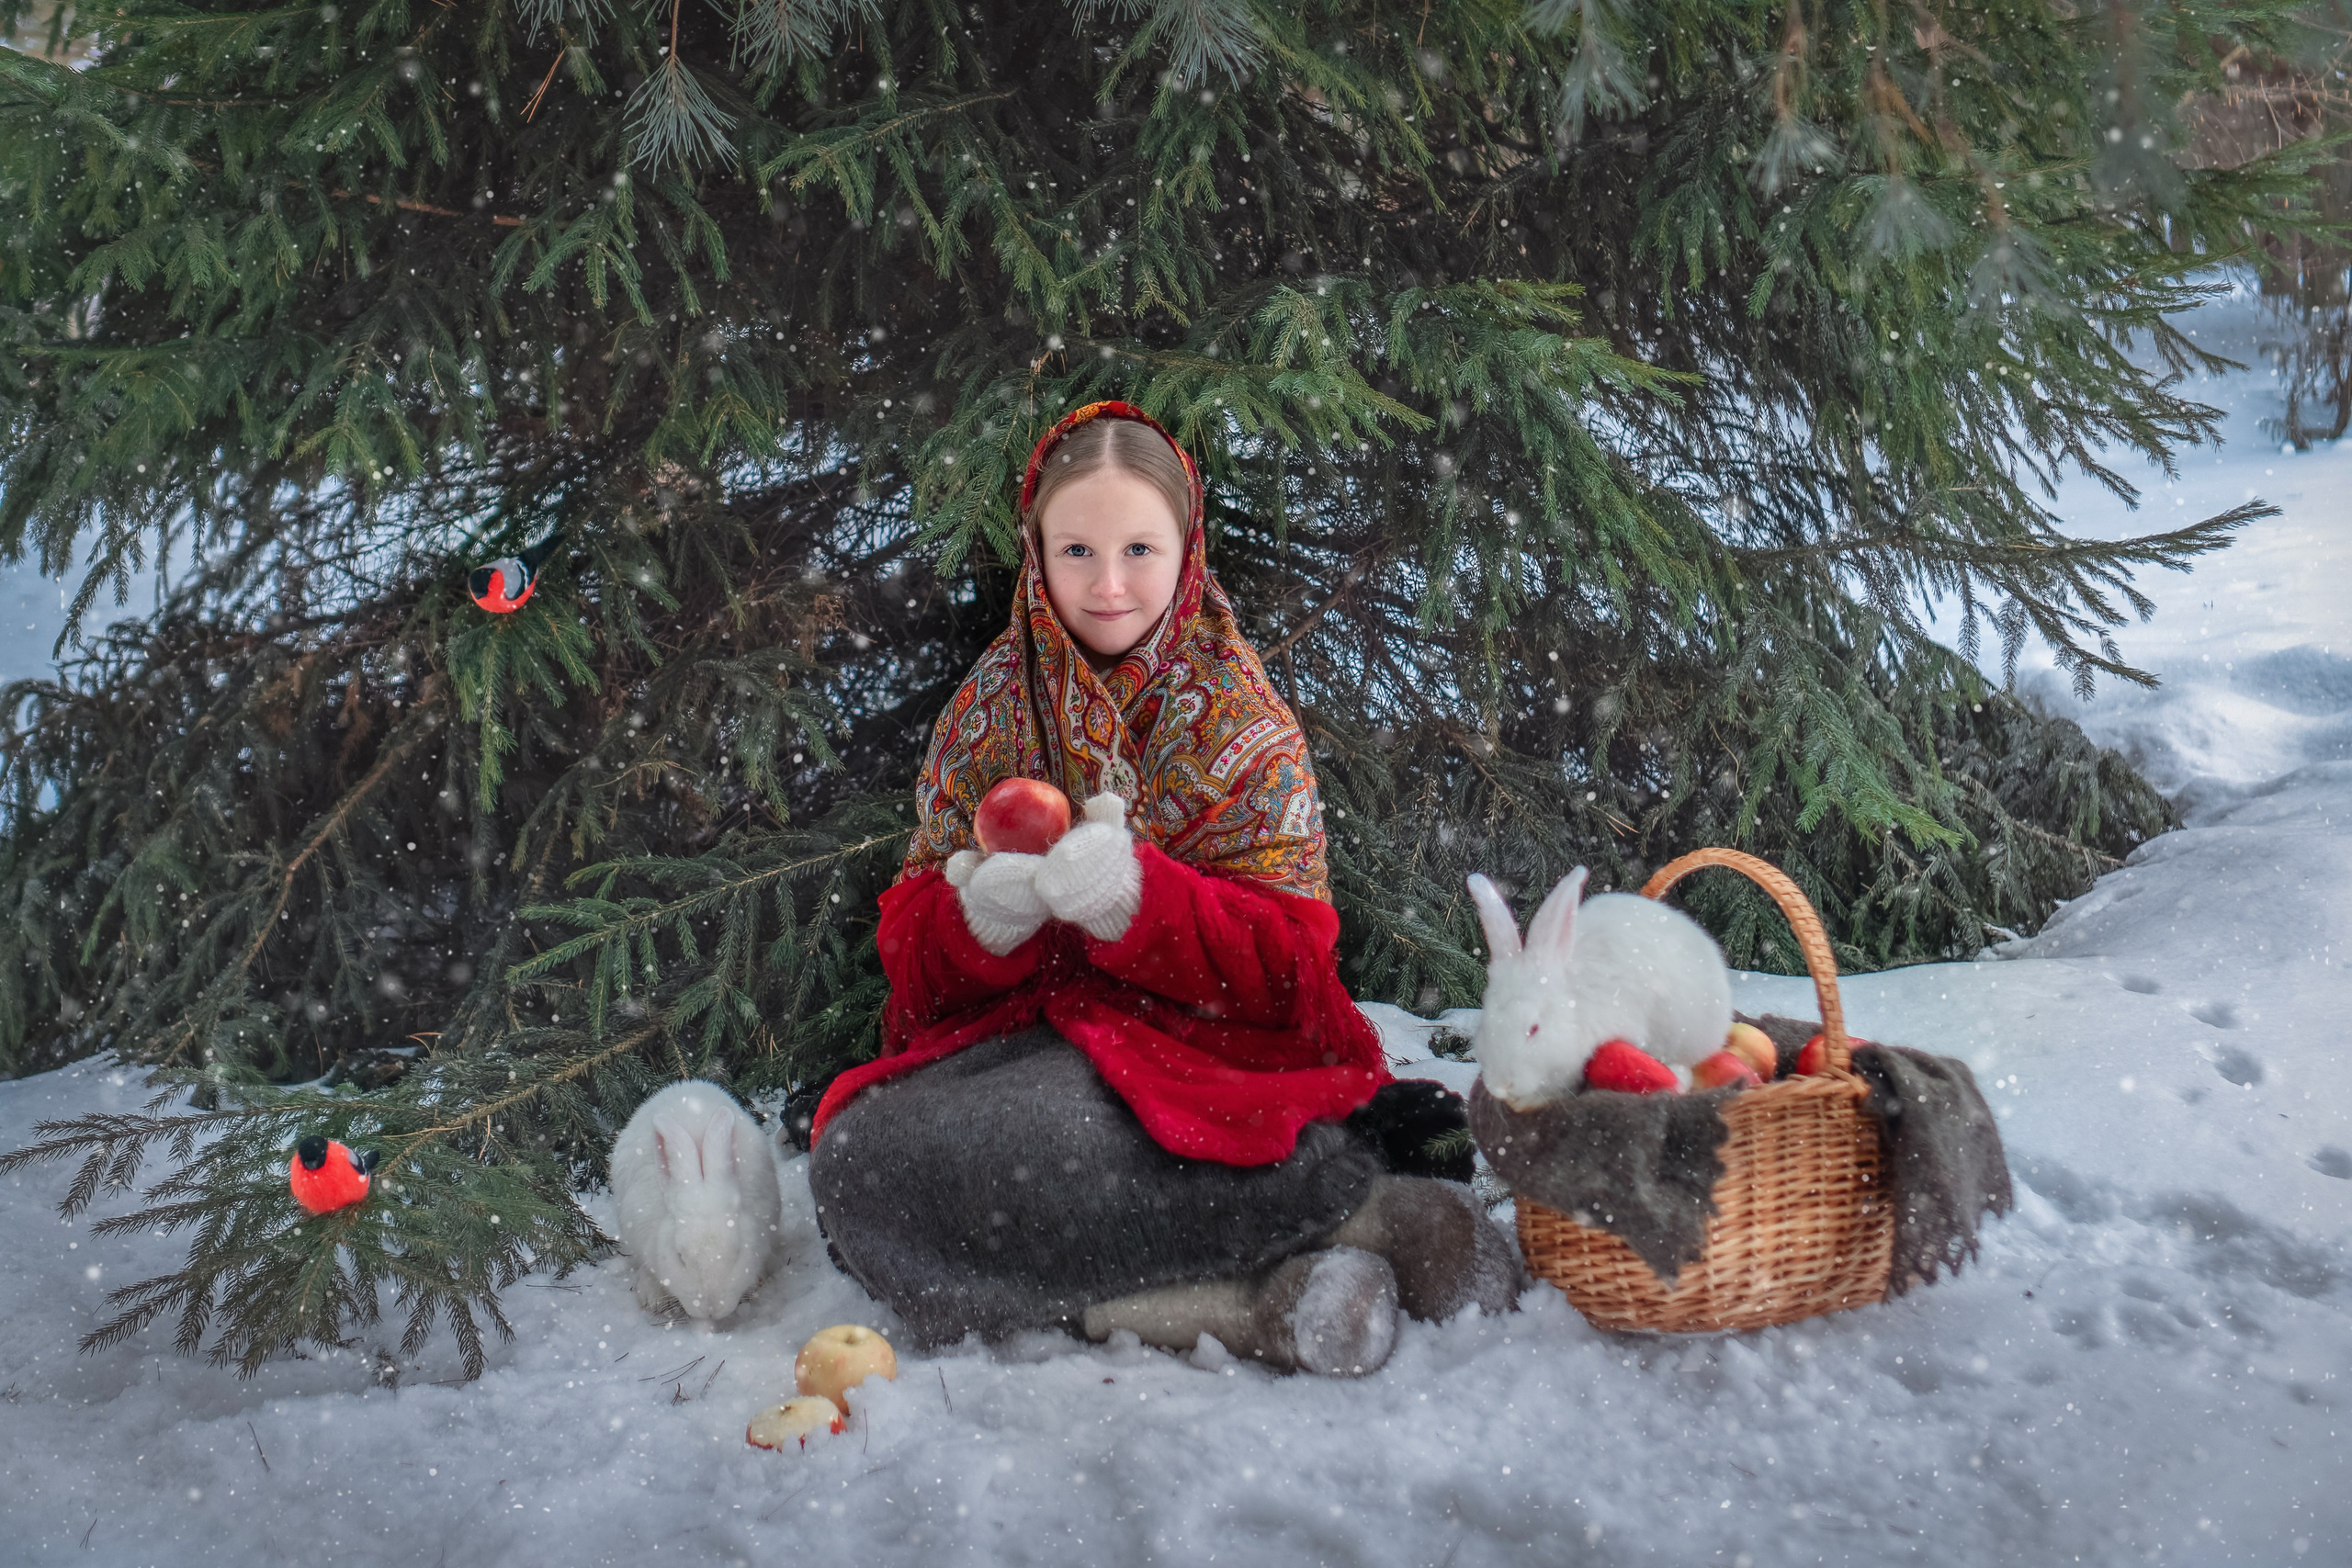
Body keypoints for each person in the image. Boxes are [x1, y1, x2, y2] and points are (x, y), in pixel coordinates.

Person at [808, 402, 1516, 1376]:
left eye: (1139, 549)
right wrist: (979, 921)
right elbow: (916, 977)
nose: (1108, 585)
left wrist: (1139, 904)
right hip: (1024, 1051)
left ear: (1187, 550)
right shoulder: (988, 712)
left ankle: (1360, 1216)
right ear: (1036, 552)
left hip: (1197, 1051)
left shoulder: (1240, 720)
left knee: (1061, 1147)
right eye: (1077, 551)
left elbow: (1291, 974)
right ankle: (1272, 1287)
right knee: (862, 1166)